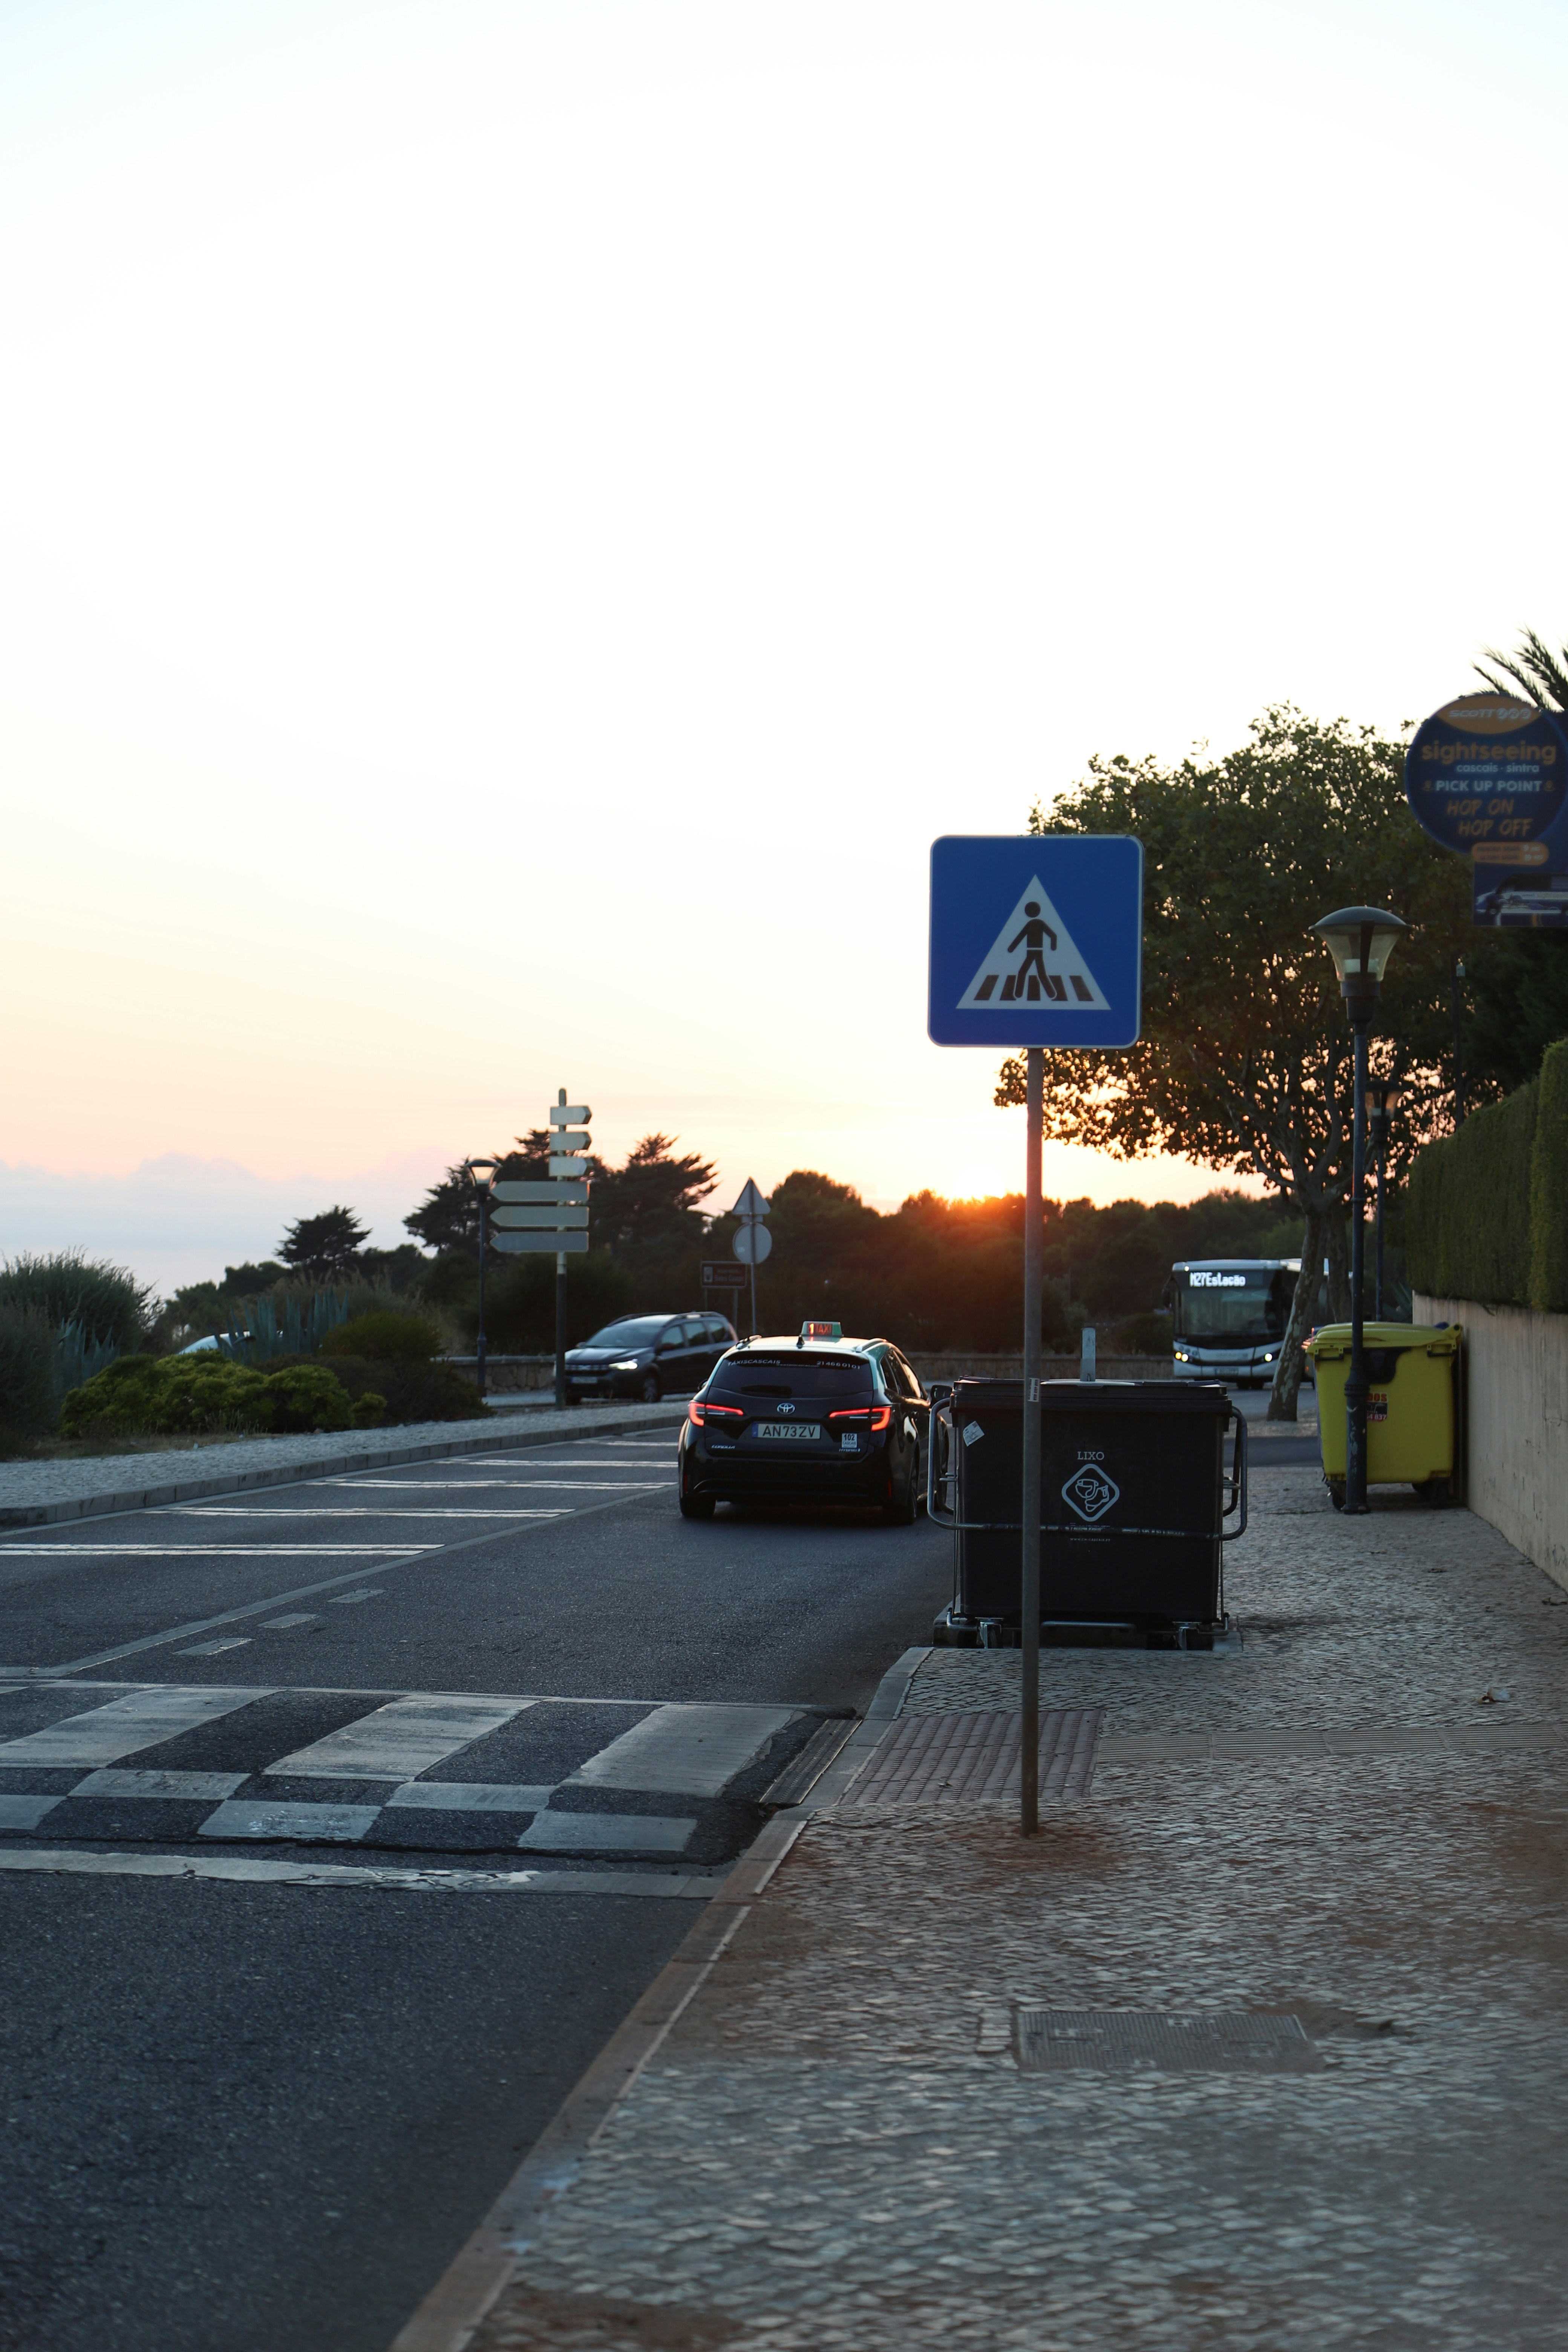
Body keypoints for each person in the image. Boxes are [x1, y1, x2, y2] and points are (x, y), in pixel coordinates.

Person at [1008, 901, 1057, 997]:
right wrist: (1053, 947)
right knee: (1040, 974)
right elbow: (1053, 936)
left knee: (1024, 972)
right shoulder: (1039, 923)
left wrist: (1011, 949)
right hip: (1036, 952)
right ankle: (1051, 994)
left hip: (1032, 952)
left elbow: (1020, 937)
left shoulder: (1032, 924)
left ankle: (1018, 994)